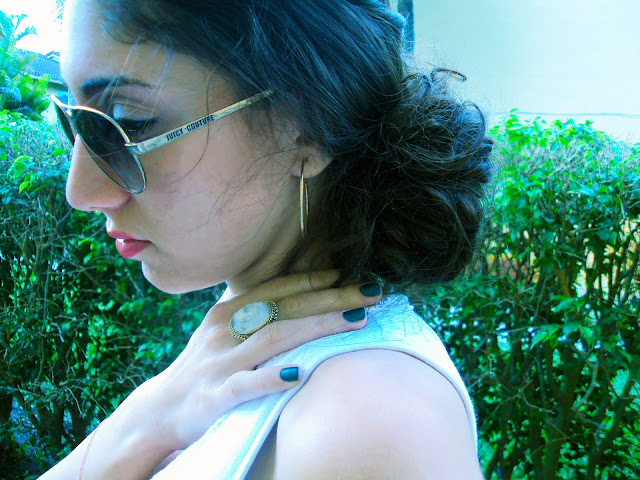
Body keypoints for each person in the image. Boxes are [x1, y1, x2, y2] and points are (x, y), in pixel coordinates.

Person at [40, 0, 492, 478]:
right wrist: (144, 422)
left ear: (307, 128)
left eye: (125, 121)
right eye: (76, 121)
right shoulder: (223, 358)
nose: (80, 191)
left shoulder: (365, 421)